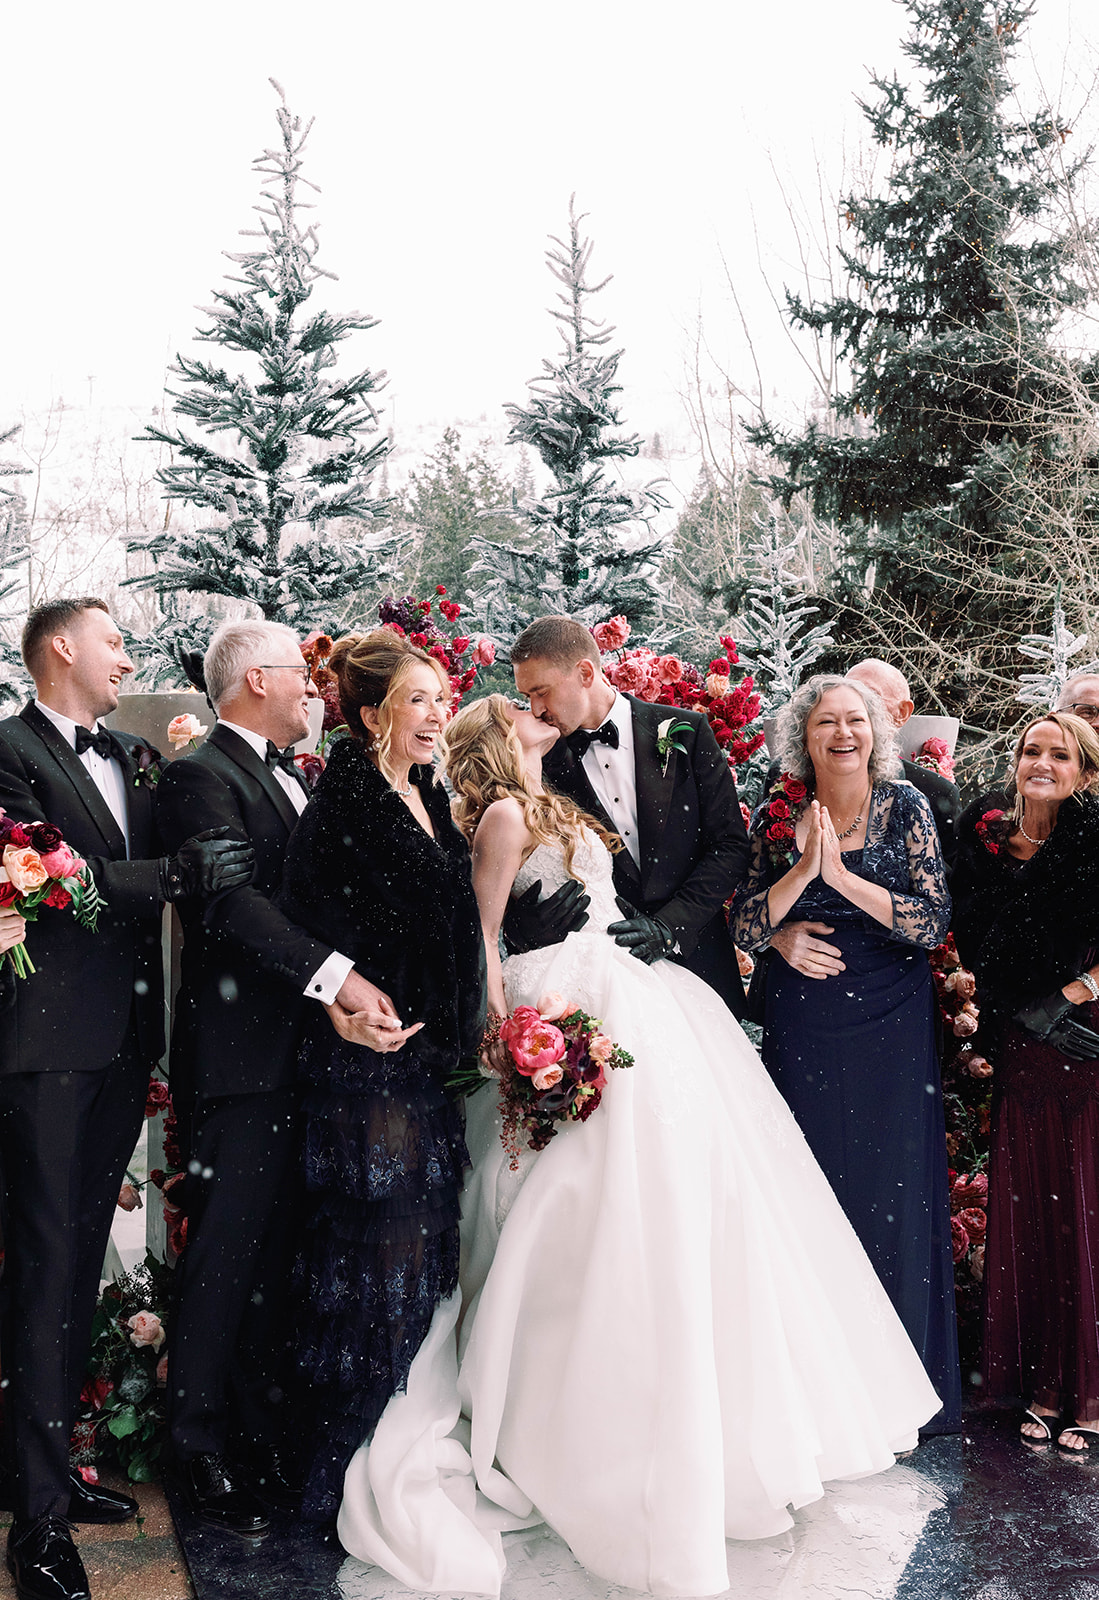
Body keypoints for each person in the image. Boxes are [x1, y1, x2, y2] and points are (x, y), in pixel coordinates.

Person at [333, 692, 941, 1599]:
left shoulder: (552, 800)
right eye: (520, 708)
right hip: (558, 1004)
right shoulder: (502, 816)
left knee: (677, 1186)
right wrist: (505, 1036)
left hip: (630, 995)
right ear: (501, 738)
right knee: (574, 1200)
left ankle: (691, 1400)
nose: (537, 709)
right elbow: (483, 938)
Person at [0, 598, 253, 1600]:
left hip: (117, 1048)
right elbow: (49, 882)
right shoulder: (7, 751)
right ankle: (37, 1526)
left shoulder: (134, 759)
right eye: (113, 641)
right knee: (45, 1268)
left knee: (71, 1271)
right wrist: (172, 872)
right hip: (46, 1050)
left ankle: (49, 1473)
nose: (126, 658)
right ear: (60, 647)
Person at [155, 620, 408, 1536]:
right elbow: (232, 909)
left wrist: (349, 993)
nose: (315, 688)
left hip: (306, 1055)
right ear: (256, 680)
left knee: (275, 1261)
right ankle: (195, 1450)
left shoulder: (295, 776)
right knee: (226, 1258)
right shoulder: (198, 777)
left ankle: (257, 1436)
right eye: (301, 674)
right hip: (241, 1062)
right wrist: (337, 979)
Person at [276, 630, 484, 1522]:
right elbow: (299, 916)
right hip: (366, 1065)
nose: (438, 714)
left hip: (427, 1060)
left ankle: (394, 1438)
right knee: (375, 1257)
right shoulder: (344, 800)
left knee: (421, 1249)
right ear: (371, 717)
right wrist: (337, 1001)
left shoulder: (426, 791)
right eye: (417, 700)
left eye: (441, 697)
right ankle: (340, 1465)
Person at [730, 674, 961, 1435]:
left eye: (854, 720)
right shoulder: (779, 812)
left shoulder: (906, 807)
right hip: (805, 1018)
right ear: (804, 736)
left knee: (891, 1189)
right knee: (809, 1184)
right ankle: (819, 1396)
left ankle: (897, 1393)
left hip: (891, 1022)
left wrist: (840, 880)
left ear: (876, 731)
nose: (842, 733)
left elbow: (931, 922)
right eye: (825, 721)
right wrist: (793, 901)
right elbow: (742, 922)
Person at [951, 711, 1099, 1453]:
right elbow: (973, 948)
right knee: (1035, 1213)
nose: (1041, 763)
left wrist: (1070, 995)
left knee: (1085, 1208)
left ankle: (1090, 1390)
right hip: (1019, 1044)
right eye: (1030, 750)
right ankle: (1041, 1383)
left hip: (1084, 1037)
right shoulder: (985, 849)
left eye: (1059, 755)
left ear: (1085, 774)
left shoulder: (1094, 841)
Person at [505, 614, 750, 1016]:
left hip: (698, 962)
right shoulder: (539, 764)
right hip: (604, 993)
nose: (536, 709)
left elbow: (729, 846)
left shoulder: (685, 730)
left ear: (586, 673)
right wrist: (523, 927)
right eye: (526, 696)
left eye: (541, 692)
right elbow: (513, 868)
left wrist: (669, 927)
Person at [769, 656, 961, 983]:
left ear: (902, 713)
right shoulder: (786, 781)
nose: (848, 703)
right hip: (793, 978)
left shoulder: (932, 792)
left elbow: (940, 906)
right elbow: (753, 885)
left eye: (865, 697)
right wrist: (776, 936)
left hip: (890, 979)